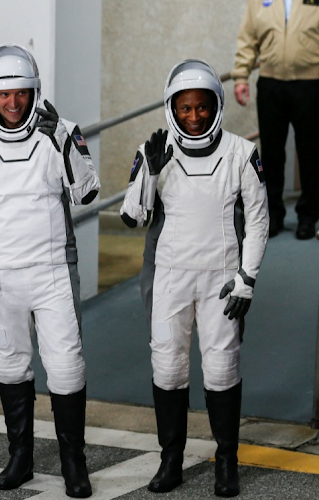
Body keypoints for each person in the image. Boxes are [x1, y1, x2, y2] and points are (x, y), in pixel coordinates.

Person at [0, 44, 100, 498]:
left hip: (52, 271)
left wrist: (63, 145)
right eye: (2, 95)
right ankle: (21, 458)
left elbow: (88, 193)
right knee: (11, 366)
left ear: (35, 92)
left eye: (21, 94)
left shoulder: (63, 131)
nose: (12, 104)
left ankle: (74, 461)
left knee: (67, 368)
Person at [120, 59, 269, 497]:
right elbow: (132, 217)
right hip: (170, 276)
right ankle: (171, 460)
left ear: (217, 106)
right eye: (185, 108)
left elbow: (258, 222)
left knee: (222, 371)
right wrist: (148, 170)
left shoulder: (242, 153)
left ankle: (226, 461)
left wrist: (247, 278)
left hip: (223, 277)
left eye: (203, 107)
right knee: (167, 369)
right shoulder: (155, 152)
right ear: (171, 108)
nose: (194, 116)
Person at [232, 0, 319, 239]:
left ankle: (308, 217)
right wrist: (241, 76)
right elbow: (247, 38)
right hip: (271, 84)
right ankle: (272, 215)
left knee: (311, 153)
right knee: (270, 154)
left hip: (311, 83)